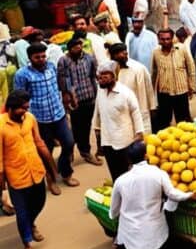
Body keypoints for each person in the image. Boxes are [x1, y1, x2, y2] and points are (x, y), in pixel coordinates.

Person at [110, 140, 196, 249]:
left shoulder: (120, 181)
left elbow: (113, 212)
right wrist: (191, 195)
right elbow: (173, 194)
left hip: (131, 238)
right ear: (146, 156)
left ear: (128, 160)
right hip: (156, 235)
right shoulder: (158, 173)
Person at [1, 90, 59, 249]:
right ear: (11, 108)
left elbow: (39, 142)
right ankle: (27, 244)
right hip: (16, 177)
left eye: (26, 108)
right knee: (22, 212)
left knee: (39, 202)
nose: (25, 112)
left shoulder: (30, 119)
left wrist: (50, 166)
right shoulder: (1, 126)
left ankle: (30, 223)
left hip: (36, 171)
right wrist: (1, 182)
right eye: (22, 109)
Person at [13, 43, 78, 191]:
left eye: (43, 56)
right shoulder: (22, 74)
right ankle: (51, 179)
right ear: (30, 58)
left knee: (69, 143)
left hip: (58, 114)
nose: (41, 59)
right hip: (39, 119)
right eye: (37, 57)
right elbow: (19, 98)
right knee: (45, 151)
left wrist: (67, 100)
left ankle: (65, 171)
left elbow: (58, 86)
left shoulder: (51, 67)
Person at [92, 60, 145, 181]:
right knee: (114, 173)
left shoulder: (125, 93)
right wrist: (97, 130)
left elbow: (136, 112)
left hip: (124, 141)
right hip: (107, 141)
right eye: (99, 77)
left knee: (128, 173)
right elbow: (97, 111)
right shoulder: (101, 92)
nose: (100, 80)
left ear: (114, 77)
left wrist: (139, 133)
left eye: (104, 77)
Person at [56, 37, 102, 166]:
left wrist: (96, 94)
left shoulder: (89, 58)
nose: (78, 49)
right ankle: (69, 152)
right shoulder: (63, 61)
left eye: (80, 47)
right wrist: (68, 96)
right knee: (75, 127)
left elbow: (94, 75)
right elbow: (62, 80)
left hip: (89, 97)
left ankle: (85, 152)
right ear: (70, 49)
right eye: (75, 47)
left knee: (86, 126)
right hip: (74, 101)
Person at [151, 28, 196, 130]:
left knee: (183, 121)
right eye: (162, 39)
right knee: (164, 122)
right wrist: (152, 93)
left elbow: (191, 68)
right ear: (159, 39)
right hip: (164, 92)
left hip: (181, 91)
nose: (165, 41)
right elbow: (154, 72)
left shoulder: (181, 49)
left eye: (168, 39)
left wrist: (192, 86)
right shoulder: (155, 52)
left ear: (172, 38)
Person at [109, 42, 156, 134]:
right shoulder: (110, 71)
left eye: (125, 52)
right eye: (120, 53)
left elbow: (149, 90)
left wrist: (153, 108)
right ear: (113, 56)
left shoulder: (139, 69)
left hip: (139, 110)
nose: (124, 55)